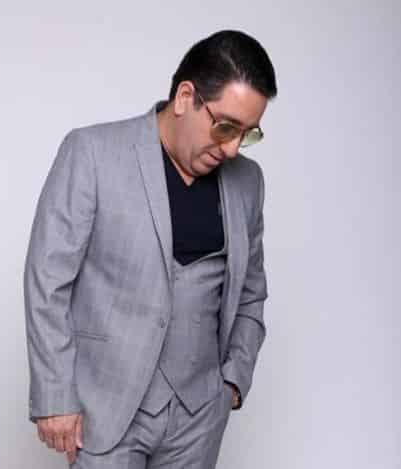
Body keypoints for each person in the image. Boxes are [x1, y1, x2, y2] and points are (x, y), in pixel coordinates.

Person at [23, 29, 277, 468]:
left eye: (247, 134)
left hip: (199, 416)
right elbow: (48, 281)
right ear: (185, 97)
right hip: (105, 409)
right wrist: (54, 394)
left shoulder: (247, 182)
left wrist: (233, 382)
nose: (233, 148)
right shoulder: (92, 153)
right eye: (225, 127)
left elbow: (252, 292)